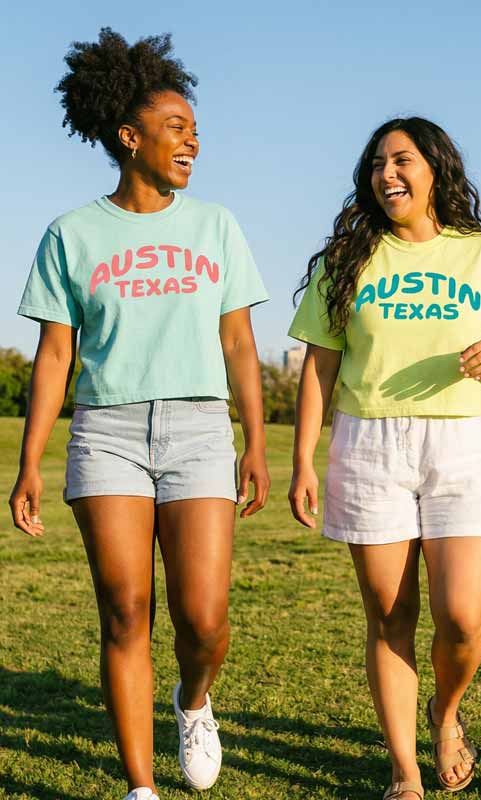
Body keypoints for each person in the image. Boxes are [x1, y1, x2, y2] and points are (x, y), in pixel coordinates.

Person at [9, 28, 270, 800]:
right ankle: (140, 787)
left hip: (198, 428)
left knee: (203, 619)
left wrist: (256, 442)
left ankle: (193, 700)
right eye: (176, 128)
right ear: (130, 137)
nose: (193, 140)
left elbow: (239, 343)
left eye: (194, 129)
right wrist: (30, 461)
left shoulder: (216, 226)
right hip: (107, 432)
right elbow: (56, 357)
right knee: (125, 610)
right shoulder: (72, 233)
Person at [288, 117, 481, 800]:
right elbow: (320, 366)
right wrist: (304, 459)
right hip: (368, 440)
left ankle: (445, 711)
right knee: (390, 616)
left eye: (400, 160)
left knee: (463, 617)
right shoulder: (348, 258)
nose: (386, 174)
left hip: (461, 441)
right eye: (376, 163)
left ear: (435, 169)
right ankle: (404, 773)